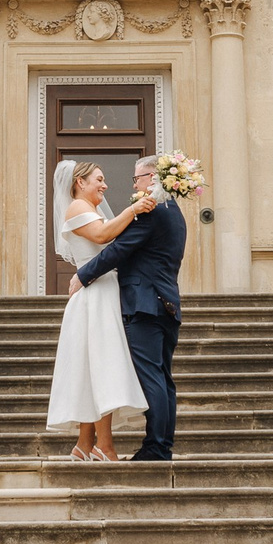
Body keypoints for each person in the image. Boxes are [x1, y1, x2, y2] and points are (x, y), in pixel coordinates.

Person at [71, 155, 187, 461]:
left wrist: (83, 275)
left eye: (136, 180)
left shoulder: (151, 212)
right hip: (167, 303)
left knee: (152, 377)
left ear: (151, 178)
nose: (134, 187)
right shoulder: (175, 212)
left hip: (145, 306)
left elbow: (119, 248)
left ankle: (156, 447)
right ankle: (160, 444)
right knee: (163, 378)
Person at [44, 160, 154, 460]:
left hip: (103, 291)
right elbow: (103, 236)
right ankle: (104, 445)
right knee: (104, 366)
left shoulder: (87, 209)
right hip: (95, 295)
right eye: (99, 179)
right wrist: (133, 209)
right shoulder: (78, 208)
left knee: (92, 368)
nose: (105, 185)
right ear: (80, 182)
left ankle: (84, 443)